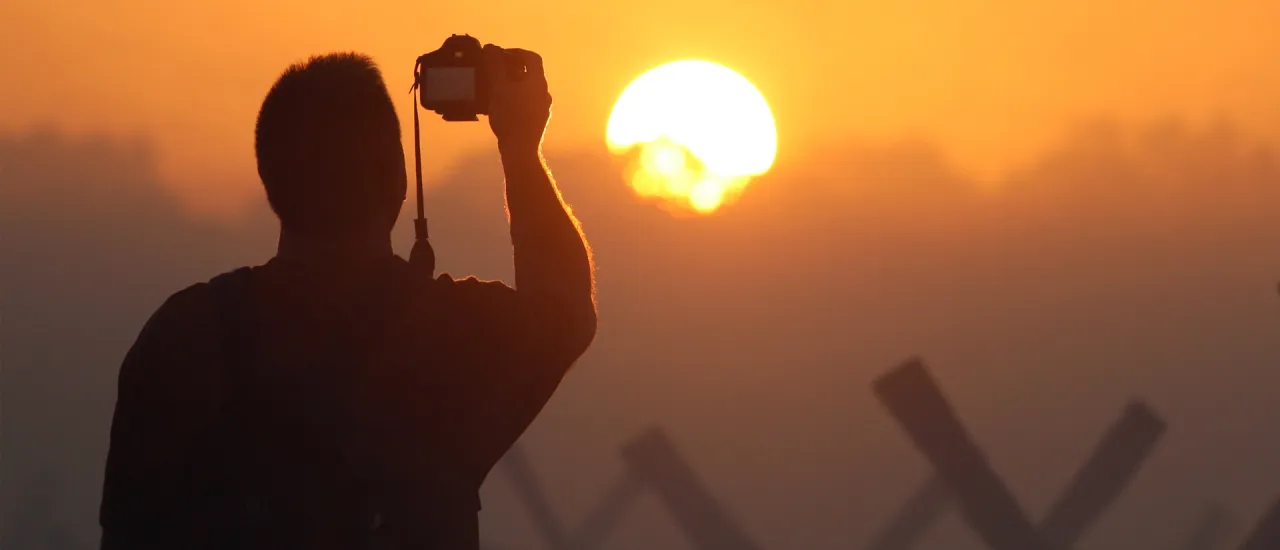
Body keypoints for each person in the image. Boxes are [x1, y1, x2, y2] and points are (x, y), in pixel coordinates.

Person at [99, 46, 596, 549]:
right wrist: (519, 147)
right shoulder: (449, 338)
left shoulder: (182, 337)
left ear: (271, 180)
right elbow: (564, 310)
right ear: (399, 180)